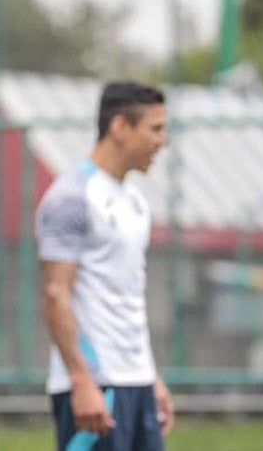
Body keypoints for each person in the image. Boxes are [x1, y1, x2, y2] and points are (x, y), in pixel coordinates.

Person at [37, 82, 176, 451]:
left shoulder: (135, 202)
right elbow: (56, 294)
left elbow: (127, 296)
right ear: (119, 127)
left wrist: (152, 377)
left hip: (138, 383)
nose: (163, 141)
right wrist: (82, 380)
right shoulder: (72, 198)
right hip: (97, 387)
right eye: (156, 129)